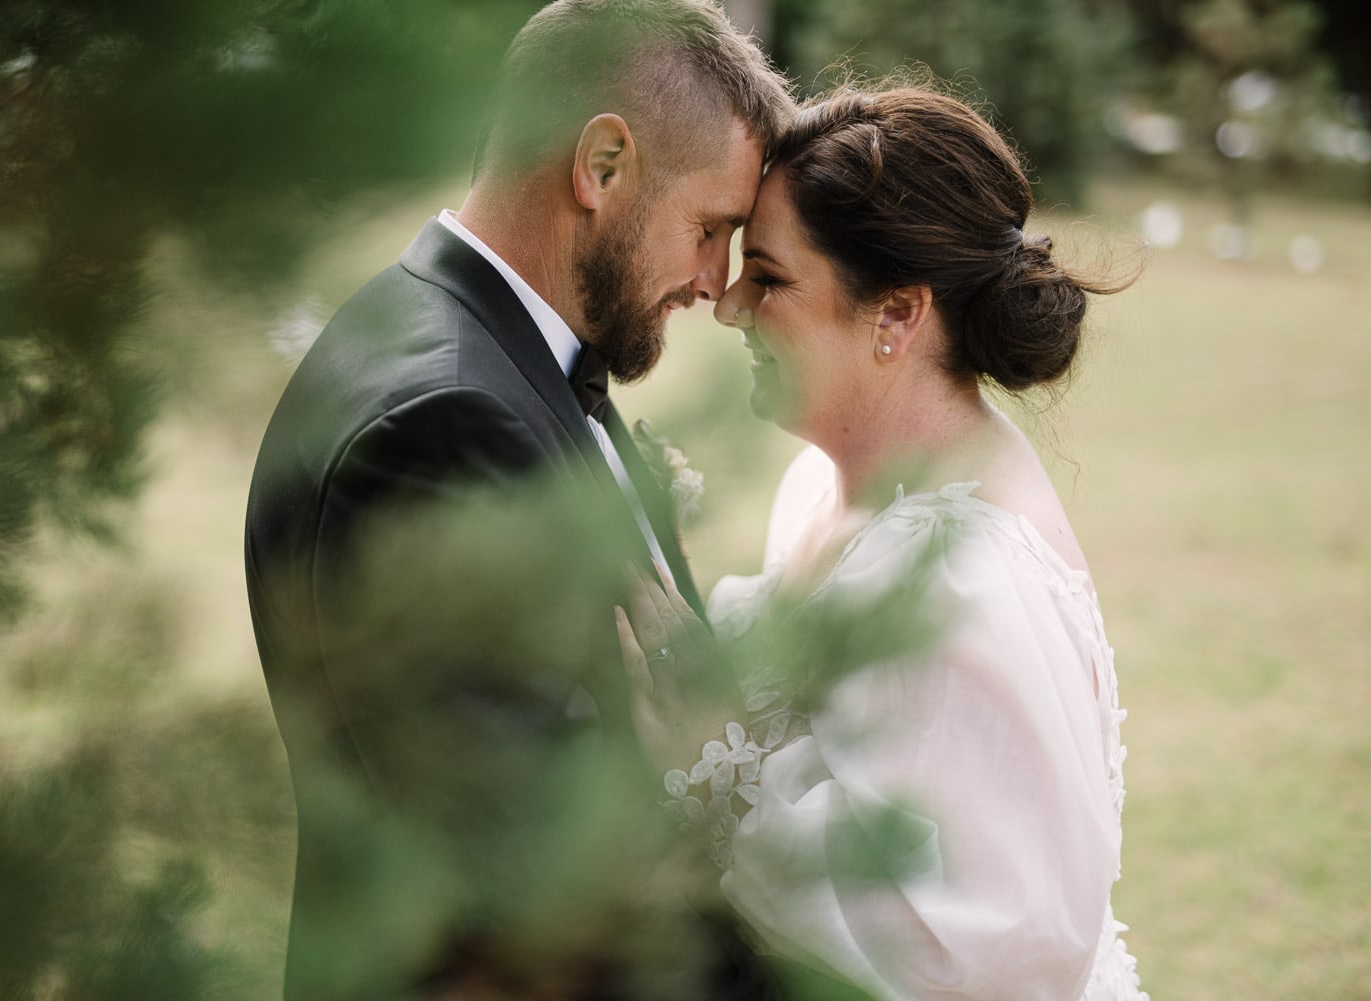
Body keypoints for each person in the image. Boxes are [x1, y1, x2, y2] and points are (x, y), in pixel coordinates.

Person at [244, 1, 794, 998]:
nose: (717, 284)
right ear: (604, 167)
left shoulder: (490, 356)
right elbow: (540, 884)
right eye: (710, 228)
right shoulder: (442, 430)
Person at [619, 85, 1147, 1000]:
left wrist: (707, 766)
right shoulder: (830, 476)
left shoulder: (961, 580)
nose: (730, 304)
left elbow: (967, 951)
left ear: (897, 315)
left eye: (772, 278)